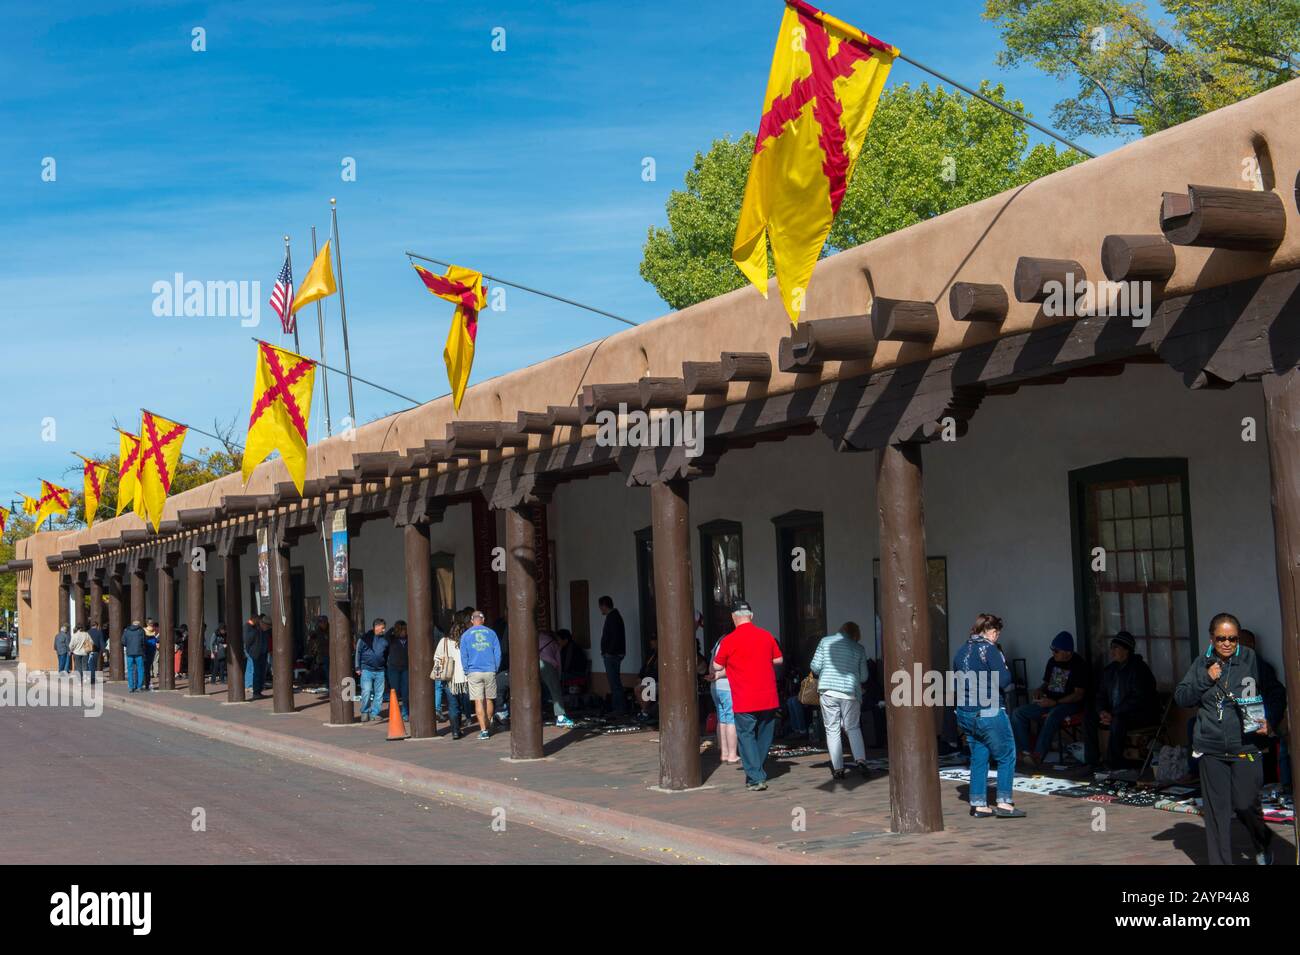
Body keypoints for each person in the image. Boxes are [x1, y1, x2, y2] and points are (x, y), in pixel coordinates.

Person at [1175, 613, 1274, 865]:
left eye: (1233, 638)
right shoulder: (1202, 663)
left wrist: (1270, 719)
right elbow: (1182, 697)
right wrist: (1205, 678)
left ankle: (1261, 840)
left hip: (1246, 746)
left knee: (1244, 804)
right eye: (1222, 639)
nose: (1228, 643)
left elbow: (1276, 692)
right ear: (1212, 638)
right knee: (1217, 814)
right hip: (1212, 748)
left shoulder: (1251, 660)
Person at [953, 613, 1024, 818]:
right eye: (997, 633)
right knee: (1006, 754)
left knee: (979, 755)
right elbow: (1004, 681)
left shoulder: (961, 651)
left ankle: (978, 804)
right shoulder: (989, 650)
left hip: (966, 712)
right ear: (991, 631)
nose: (997, 637)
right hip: (989, 710)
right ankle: (1004, 802)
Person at [713, 600, 783, 792]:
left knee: (746, 736)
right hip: (768, 698)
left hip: (744, 698)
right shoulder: (766, 636)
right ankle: (756, 771)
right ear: (751, 616)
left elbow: (717, 666)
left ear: (733, 618)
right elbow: (778, 659)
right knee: (764, 737)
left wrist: (732, 665)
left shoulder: (729, 640)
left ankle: (756, 776)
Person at [1010, 631, 1089, 768]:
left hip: (1070, 704)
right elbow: (1047, 683)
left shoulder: (1078, 664)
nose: (1053, 653)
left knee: (1053, 714)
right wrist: (1039, 690)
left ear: (1068, 652)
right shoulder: (1052, 662)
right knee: (1018, 713)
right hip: (1051, 701)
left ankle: (1038, 756)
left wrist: (1056, 702)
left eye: (1056, 651)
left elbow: (1078, 694)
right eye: (1052, 650)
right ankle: (1024, 752)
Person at [1084, 630, 1159, 769]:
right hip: (1114, 712)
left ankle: (1114, 762)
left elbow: (1139, 699)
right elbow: (1100, 695)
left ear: (1126, 650)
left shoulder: (1139, 669)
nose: (1112, 651)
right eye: (1111, 647)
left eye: (1115, 648)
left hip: (1138, 715)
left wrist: (1114, 713)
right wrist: (1102, 711)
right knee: (1089, 716)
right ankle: (1091, 761)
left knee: (1118, 721)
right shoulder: (1110, 670)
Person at [809, 621, 871, 779]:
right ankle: (861, 761)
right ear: (855, 635)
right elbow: (864, 677)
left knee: (832, 729)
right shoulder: (859, 649)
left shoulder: (825, 642)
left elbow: (815, 667)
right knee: (853, 727)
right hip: (851, 693)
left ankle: (838, 768)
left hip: (828, 690)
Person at [459, 610, 501, 740]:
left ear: (472, 620)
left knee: (478, 700)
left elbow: (463, 655)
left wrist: (467, 670)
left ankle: (483, 730)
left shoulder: (466, 635)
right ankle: (489, 723)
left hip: (474, 671)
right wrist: (495, 668)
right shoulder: (491, 633)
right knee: (489, 699)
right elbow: (497, 653)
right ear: (483, 620)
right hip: (489, 670)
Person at [433, 614, 470, 738]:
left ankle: (455, 730)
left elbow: (437, 658)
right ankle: (460, 726)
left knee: (453, 705)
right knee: (462, 705)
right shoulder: (467, 643)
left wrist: (438, 674)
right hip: (465, 679)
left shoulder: (444, 642)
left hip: (449, 679)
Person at [706, 634, 738, 764]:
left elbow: (711, 666)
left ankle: (724, 752)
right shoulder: (730, 642)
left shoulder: (718, 642)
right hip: (727, 685)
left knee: (722, 718)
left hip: (715, 687)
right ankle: (732, 754)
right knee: (731, 719)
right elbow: (730, 667)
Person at [538, 628, 576, 728]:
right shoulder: (554, 643)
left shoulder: (537, 637)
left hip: (533, 664)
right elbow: (558, 663)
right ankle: (560, 717)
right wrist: (558, 678)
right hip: (547, 665)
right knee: (555, 691)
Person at [354, 618, 390, 723]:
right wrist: (357, 667)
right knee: (367, 691)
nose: (384, 630)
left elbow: (386, 653)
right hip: (366, 670)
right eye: (382, 628)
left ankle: (375, 713)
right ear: (377, 627)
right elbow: (358, 652)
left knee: (379, 694)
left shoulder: (385, 640)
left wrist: (385, 665)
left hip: (380, 670)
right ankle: (365, 712)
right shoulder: (364, 638)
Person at [598, 596, 627, 717]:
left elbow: (614, 637)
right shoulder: (614, 616)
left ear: (604, 605)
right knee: (615, 682)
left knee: (614, 683)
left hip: (612, 655)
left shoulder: (613, 617)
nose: (600, 610)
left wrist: (609, 652)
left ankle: (619, 709)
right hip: (614, 654)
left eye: (601, 607)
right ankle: (618, 708)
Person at [386, 620, 410, 721]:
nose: (404, 632)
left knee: (405, 692)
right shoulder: (392, 639)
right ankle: (393, 712)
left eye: (405, 630)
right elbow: (385, 636)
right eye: (401, 630)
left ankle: (405, 713)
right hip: (393, 669)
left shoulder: (409, 639)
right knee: (395, 691)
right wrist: (393, 628)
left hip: (405, 668)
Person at [243, 614, 268, 699]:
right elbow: (247, 640)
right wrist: (249, 652)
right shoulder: (248, 627)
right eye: (258, 620)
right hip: (255, 653)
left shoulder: (257, 627)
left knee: (260, 671)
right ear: (254, 619)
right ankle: (254, 690)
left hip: (261, 652)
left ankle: (258, 690)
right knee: (255, 671)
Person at [636, 636, 658, 723]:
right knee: (638, 688)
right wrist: (640, 677)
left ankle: (645, 713)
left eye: (653, 640)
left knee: (648, 687)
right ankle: (646, 712)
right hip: (648, 680)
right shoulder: (652, 655)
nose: (651, 642)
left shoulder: (663, 653)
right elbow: (644, 668)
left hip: (657, 682)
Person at [122, 619, 147, 693]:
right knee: (140, 669)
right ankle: (139, 686)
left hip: (129, 652)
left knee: (130, 670)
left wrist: (128, 645)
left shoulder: (126, 630)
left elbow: (123, 641)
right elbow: (144, 641)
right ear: (138, 624)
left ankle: (131, 686)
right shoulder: (141, 631)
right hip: (139, 652)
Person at [87, 620, 105, 686]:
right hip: (95, 651)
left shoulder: (87, 632)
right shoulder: (99, 632)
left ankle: (89, 678)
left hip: (88, 651)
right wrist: (104, 651)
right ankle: (92, 679)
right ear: (97, 626)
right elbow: (101, 642)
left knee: (89, 665)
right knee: (93, 665)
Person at [142, 621, 159, 690]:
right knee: (148, 669)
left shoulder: (144, 639)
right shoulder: (154, 639)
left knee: (144, 669)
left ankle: (144, 683)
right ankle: (147, 683)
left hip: (145, 654)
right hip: (151, 654)